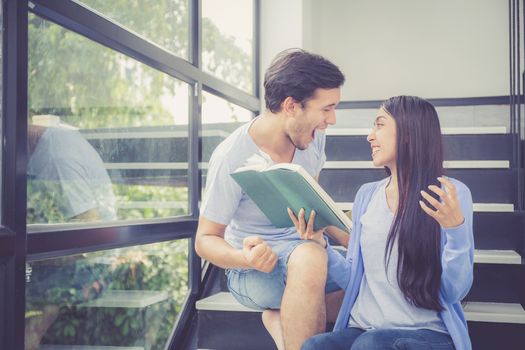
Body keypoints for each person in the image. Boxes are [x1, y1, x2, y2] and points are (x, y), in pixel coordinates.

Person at [195, 49, 348, 350]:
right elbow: (205, 239)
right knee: (310, 258)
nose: (331, 120)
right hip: (253, 271)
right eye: (326, 108)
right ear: (291, 106)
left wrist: (361, 242)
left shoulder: (311, 136)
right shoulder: (231, 157)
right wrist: (245, 258)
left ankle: (282, 326)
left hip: (306, 256)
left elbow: (313, 205)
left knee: (374, 293)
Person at [297, 96, 474, 350]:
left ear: (408, 134)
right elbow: (352, 277)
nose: (370, 136)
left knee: (370, 345)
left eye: (379, 125)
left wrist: (455, 231)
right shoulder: (367, 196)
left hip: (427, 334)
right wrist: (321, 245)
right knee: (315, 346)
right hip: (366, 328)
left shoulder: (450, 194)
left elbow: (454, 291)